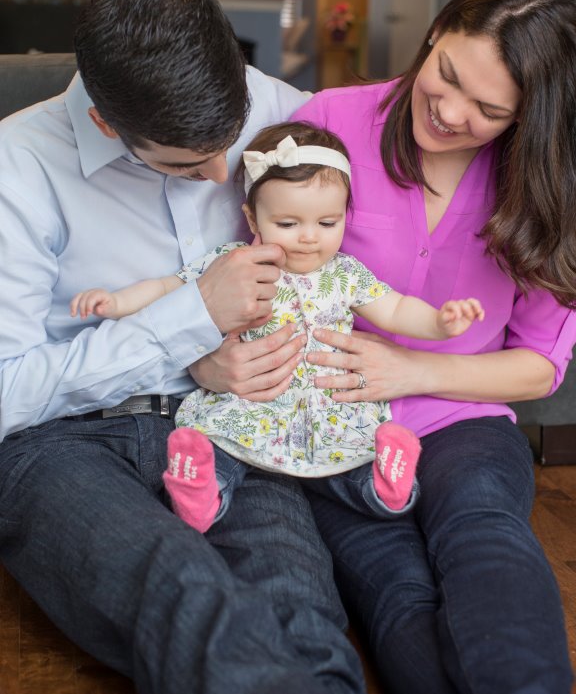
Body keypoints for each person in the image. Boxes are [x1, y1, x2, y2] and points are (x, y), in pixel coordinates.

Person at [190, 0, 576, 694]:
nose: (454, 112)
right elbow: (229, 270)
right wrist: (211, 362)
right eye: (450, 74)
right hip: (330, 440)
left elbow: (539, 366)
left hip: (461, 420)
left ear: (527, 115)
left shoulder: (545, 185)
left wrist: (415, 370)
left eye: (490, 110)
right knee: (396, 588)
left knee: (483, 527)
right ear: (435, 32)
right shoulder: (330, 125)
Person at [0, 0, 369, 694]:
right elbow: (8, 390)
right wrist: (190, 321)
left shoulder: (276, 107)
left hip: (232, 426)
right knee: (186, 593)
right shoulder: (18, 165)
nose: (214, 176)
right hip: (60, 442)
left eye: (226, 150)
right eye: (182, 162)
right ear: (108, 122)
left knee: (305, 613)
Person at [70, 120, 484, 531]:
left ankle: (386, 480)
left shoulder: (347, 274)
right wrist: (118, 302)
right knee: (223, 449)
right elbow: (170, 287)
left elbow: (395, 311)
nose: (308, 238)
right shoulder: (235, 263)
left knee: (353, 469)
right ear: (252, 218)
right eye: (288, 224)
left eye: (327, 223)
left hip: (331, 413)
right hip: (252, 406)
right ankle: (199, 486)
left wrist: (439, 322)